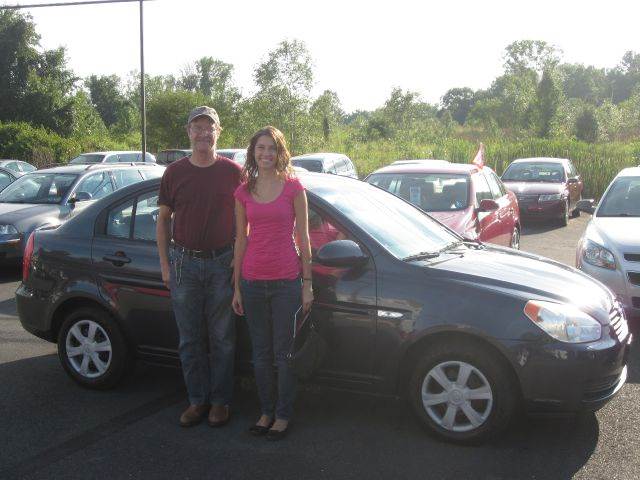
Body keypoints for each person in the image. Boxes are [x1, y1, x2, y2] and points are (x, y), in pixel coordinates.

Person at [156, 106, 242, 428]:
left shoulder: (233, 173)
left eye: (210, 127)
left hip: (222, 264)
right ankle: (197, 401)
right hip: (183, 266)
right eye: (197, 127)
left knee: (222, 338)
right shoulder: (174, 173)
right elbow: (163, 222)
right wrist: (165, 264)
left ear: (218, 132)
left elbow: (243, 220)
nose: (203, 133)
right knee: (189, 340)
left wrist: (238, 256)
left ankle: (220, 402)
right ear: (188, 132)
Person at [232, 126, 313, 441]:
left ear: (281, 153)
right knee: (261, 354)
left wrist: (307, 283)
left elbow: (303, 238)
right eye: (260, 148)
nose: (266, 154)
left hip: (286, 281)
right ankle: (265, 411)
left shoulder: (294, 188)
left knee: (283, 354)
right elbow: (241, 240)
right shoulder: (243, 191)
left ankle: (283, 414)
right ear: (253, 151)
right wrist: (237, 286)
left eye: (272, 149)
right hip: (252, 281)